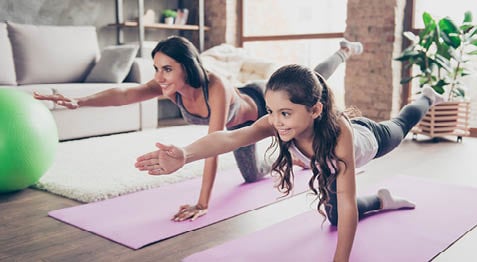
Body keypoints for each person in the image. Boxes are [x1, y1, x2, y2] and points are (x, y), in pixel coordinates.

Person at [134, 63, 446, 261]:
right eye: (271, 110)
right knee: (334, 218)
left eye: (285, 113)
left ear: (315, 109)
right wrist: (186, 154)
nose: (275, 121)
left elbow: (348, 202)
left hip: (370, 139)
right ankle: (382, 201)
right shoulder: (276, 122)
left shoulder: (339, 135)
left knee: (402, 124)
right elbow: (229, 138)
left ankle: (427, 97)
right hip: (328, 164)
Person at [34, 35, 363, 222]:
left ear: (186, 66)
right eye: (156, 69)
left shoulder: (214, 86)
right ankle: (292, 154)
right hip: (242, 130)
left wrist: (203, 202)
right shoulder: (170, 86)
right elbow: (125, 93)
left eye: (167, 68)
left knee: (315, 77)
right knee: (253, 176)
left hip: (254, 110)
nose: (160, 76)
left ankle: (343, 50)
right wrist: (81, 101)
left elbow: (215, 144)